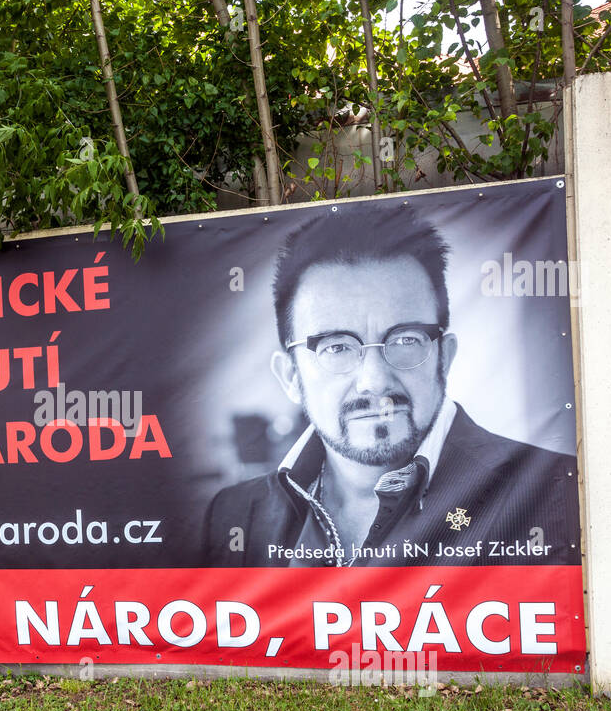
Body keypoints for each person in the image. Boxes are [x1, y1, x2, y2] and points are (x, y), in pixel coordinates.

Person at [203, 205, 580, 568]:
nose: (374, 381)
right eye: (336, 347)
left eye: (404, 340)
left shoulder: (551, 493)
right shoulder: (234, 513)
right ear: (290, 377)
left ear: (443, 357)